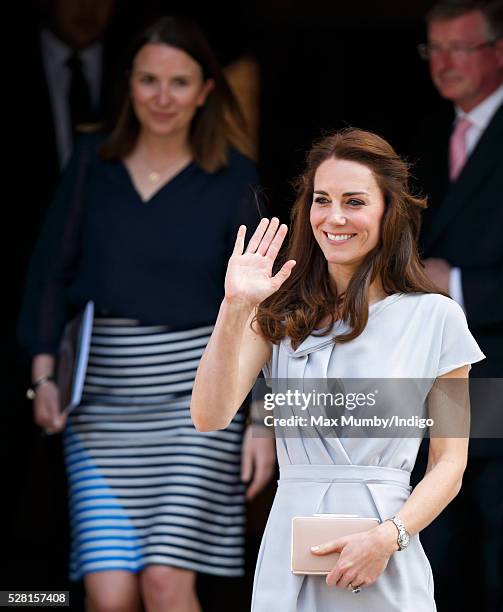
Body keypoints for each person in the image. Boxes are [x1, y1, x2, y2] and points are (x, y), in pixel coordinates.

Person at [19, 16, 275, 612]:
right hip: (100, 408)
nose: (162, 97)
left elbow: (263, 310)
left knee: (165, 581)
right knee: (108, 594)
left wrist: (261, 421)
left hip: (198, 406)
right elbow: (49, 274)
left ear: (206, 89)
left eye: (179, 82)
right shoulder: (92, 164)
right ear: (128, 84)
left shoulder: (233, 178)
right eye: (149, 80)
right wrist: (41, 377)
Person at [190, 128, 485, 611]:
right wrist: (234, 307)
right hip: (291, 555)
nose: (336, 217)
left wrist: (389, 538)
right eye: (322, 200)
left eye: (355, 201)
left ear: (389, 211)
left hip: (385, 551)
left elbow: (450, 464)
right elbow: (209, 415)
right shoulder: (279, 312)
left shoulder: (438, 317)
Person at [413, 2, 503, 608]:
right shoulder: (426, 133)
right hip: (434, 378)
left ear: (499, 50)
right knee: (437, 543)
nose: (444, 63)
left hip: (499, 364)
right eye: (434, 50)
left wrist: (458, 281)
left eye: (459, 48)